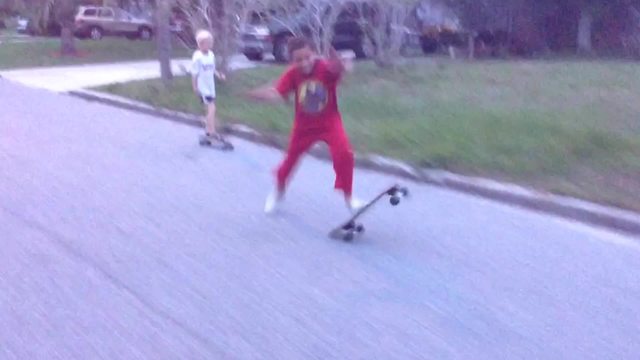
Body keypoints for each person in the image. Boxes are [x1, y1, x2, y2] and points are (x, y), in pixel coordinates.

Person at [246, 36, 362, 214]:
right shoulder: (292, 74)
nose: (304, 63)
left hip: (329, 122)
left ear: (313, 54)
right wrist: (255, 95)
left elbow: (338, 69)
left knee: (344, 153)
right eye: (298, 60)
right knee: (289, 161)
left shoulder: (324, 67)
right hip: (304, 127)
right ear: (292, 60)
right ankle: (278, 190)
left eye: (307, 57)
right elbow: (277, 94)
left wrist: (342, 64)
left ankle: (349, 197)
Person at [191, 29, 226, 143]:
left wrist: (219, 75)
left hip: (211, 86)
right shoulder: (197, 57)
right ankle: (212, 132)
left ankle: (208, 130)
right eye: (208, 42)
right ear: (201, 44)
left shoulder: (211, 54)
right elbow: (194, 73)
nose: (211, 44)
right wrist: (195, 87)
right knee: (212, 108)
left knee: (209, 109)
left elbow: (212, 68)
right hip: (203, 87)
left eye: (211, 42)